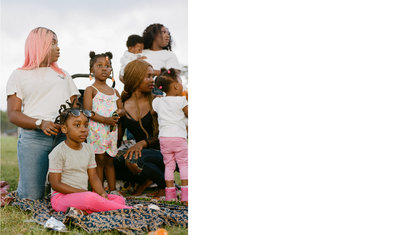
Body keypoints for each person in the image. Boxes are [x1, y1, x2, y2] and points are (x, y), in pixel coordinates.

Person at [6, 27, 80, 200]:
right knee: (31, 198)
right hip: (34, 138)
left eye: (57, 43)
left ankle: (48, 181)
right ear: (40, 45)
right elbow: (13, 114)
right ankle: (32, 182)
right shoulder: (19, 75)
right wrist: (41, 123)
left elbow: (75, 105)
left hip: (63, 138)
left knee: (70, 193)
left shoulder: (63, 75)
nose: (58, 48)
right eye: (53, 43)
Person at [49, 104, 131, 213]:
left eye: (86, 125)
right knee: (90, 198)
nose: (83, 130)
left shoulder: (88, 149)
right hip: (61, 198)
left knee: (118, 199)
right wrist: (82, 192)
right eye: (77, 125)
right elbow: (55, 184)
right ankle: (128, 211)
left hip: (82, 196)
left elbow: (94, 177)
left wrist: (102, 194)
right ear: (64, 129)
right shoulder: (58, 152)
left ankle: (85, 210)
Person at [116, 59, 166, 196]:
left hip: (162, 153)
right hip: (138, 154)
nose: (152, 80)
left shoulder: (158, 101)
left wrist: (143, 143)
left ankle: (163, 184)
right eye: (148, 76)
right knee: (112, 161)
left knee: (133, 160)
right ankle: (148, 179)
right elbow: (118, 141)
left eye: (153, 76)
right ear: (135, 78)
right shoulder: (123, 105)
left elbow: (167, 134)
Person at [83, 51, 125, 195]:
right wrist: (106, 120)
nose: (104, 69)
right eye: (99, 65)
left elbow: (122, 109)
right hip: (96, 131)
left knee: (109, 160)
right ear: (91, 70)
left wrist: (118, 113)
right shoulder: (91, 90)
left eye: (107, 66)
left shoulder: (115, 92)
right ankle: (99, 191)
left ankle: (113, 190)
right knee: (98, 161)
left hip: (111, 132)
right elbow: (88, 112)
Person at [153, 68, 188, 202]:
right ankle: (186, 196)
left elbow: (155, 106)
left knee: (169, 165)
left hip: (164, 138)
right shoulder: (181, 101)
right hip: (179, 137)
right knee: (184, 164)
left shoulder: (158, 102)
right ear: (176, 86)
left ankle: (170, 196)